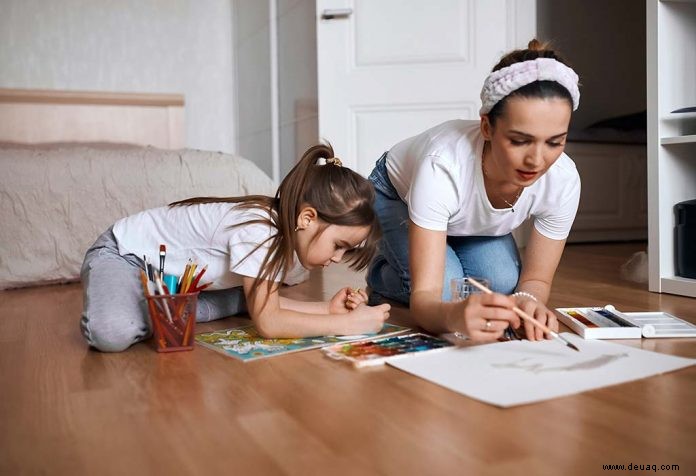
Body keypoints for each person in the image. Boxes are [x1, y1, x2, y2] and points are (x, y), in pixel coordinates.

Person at [366, 39, 581, 343]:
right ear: (487, 127)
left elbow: (535, 280)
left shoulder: (564, 179)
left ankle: (438, 254)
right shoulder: (443, 165)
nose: (536, 160)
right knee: (446, 293)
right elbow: (426, 298)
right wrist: (453, 316)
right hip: (394, 193)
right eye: (520, 141)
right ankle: (382, 276)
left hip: (464, 219)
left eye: (555, 142)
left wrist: (528, 301)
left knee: (504, 284)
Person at [80, 143, 391, 352]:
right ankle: (157, 305)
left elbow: (269, 309)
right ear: (307, 217)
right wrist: (345, 324)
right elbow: (269, 322)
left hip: (178, 282)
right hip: (124, 255)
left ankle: (177, 305)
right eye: (339, 246)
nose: (337, 259)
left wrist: (326, 309)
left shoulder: (287, 238)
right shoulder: (260, 230)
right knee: (113, 332)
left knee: (220, 307)